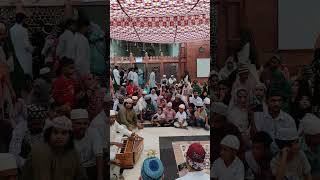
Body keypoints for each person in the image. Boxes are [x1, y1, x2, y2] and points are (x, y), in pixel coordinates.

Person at [22, 116, 85, 180]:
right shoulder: (41, 152)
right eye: (55, 132)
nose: (59, 136)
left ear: (70, 136)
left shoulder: (73, 152)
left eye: (64, 133)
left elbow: (81, 176)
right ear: (49, 134)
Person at [253, 88, 297, 154]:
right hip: (263, 154)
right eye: (273, 101)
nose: (276, 103)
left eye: (279, 101)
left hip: (283, 154)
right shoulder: (259, 116)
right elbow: (257, 138)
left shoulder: (288, 119)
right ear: (267, 101)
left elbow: (293, 141)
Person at [9, 104, 48, 168]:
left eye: (39, 124)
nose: (37, 126)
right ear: (28, 121)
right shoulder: (20, 128)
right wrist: (27, 164)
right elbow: (13, 153)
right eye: (34, 124)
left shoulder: (48, 127)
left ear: (43, 122)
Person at [70, 109, 104, 180]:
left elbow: (99, 155)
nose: (82, 126)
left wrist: (99, 176)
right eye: (78, 123)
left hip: (91, 167)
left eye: (85, 123)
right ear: (72, 124)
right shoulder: (66, 134)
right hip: (72, 168)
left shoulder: (93, 132)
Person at [110, 110, 135, 180]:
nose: (113, 119)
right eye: (111, 118)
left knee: (123, 130)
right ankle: (118, 172)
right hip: (107, 147)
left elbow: (122, 129)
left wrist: (130, 134)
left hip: (114, 141)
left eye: (114, 117)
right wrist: (115, 143)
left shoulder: (114, 122)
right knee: (113, 157)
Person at [10, 12, 34, 78]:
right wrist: (32, 49)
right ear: (23, 20)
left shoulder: (11, 30)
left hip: (15, 56)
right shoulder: (24, 30)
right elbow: (26, 45)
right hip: (24, 56)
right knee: (26, 75)